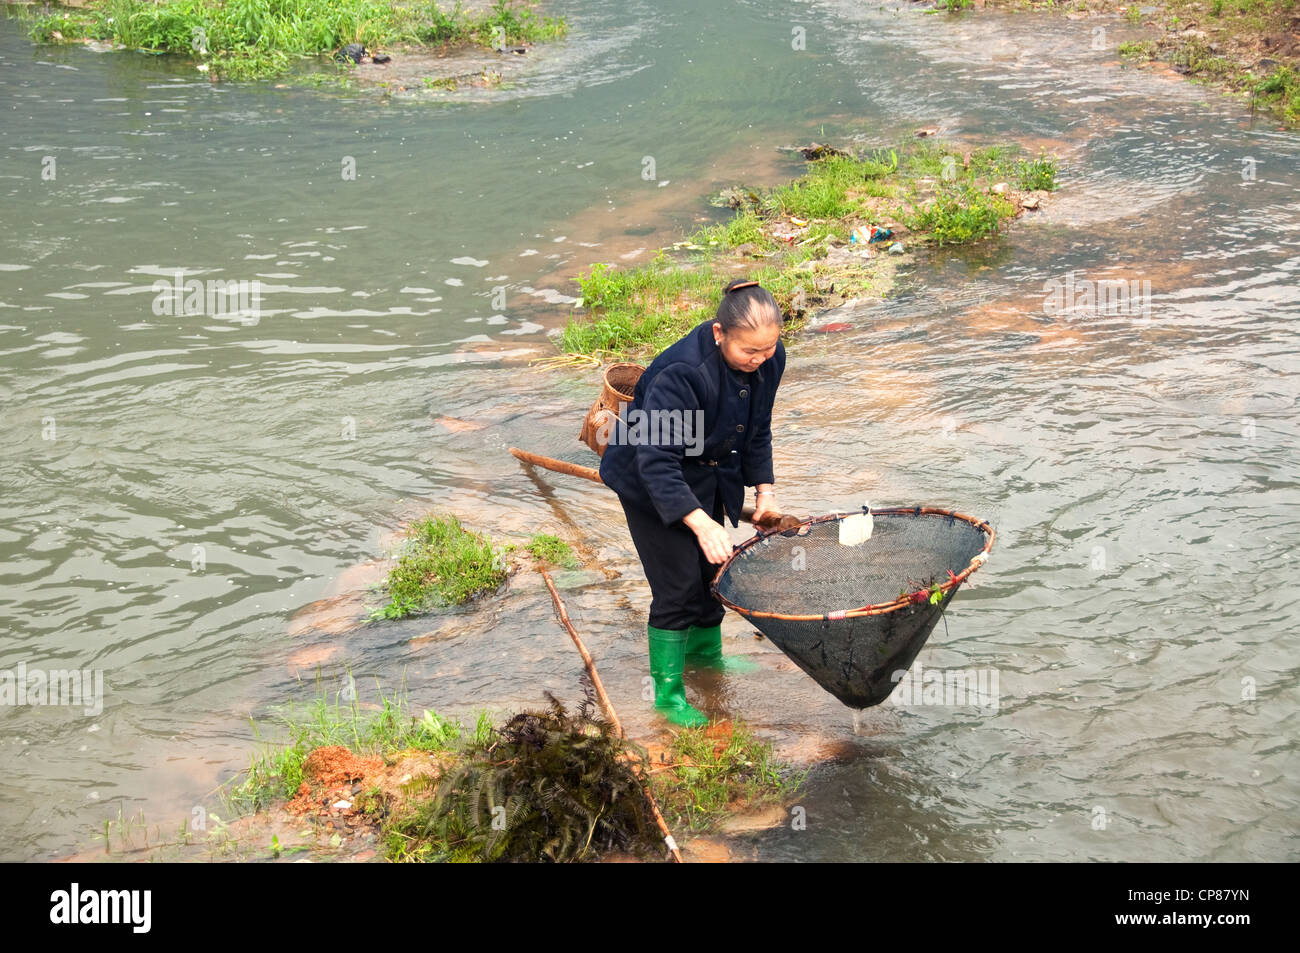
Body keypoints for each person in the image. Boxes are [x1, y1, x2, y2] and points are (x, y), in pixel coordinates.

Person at [599, 278, 786, 726]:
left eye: (768, 350)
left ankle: (706, 664)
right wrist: (702, 524)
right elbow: (658, 463)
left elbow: (757, 428)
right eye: (749, 353)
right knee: (678, 588)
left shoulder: (769, 356)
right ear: (720, 333)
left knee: (711, 578)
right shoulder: (682, 373)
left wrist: (764, 491)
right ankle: (666, 696)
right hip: (649, 480)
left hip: (708, 469)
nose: (759, 361)